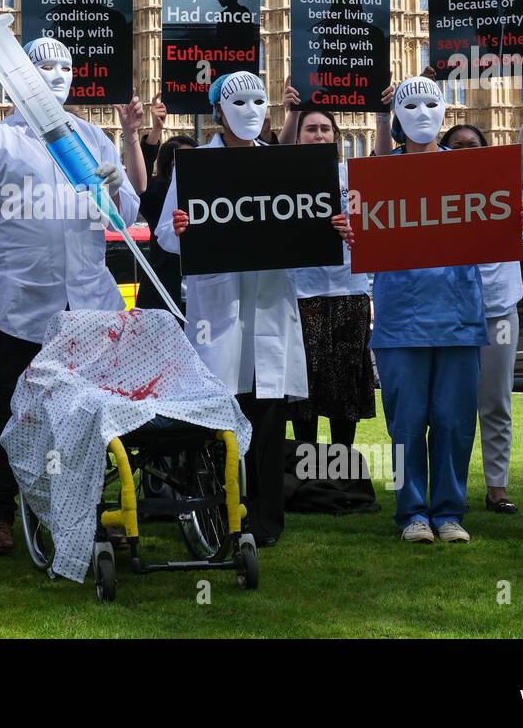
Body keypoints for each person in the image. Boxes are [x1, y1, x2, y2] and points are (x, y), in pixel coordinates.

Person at [0, 36, 138, 556]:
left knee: (89, 412)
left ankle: (87, 507)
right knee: (8, 411)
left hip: (85, 303)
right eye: (45, 67)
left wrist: (118, 183)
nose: (58, 75)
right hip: (21, 302)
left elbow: (123, 222)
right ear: (21, 75)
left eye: (66, 67)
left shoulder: (91, 139)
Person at [156, 71, 310, 545]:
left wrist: (334, 229)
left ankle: (265, 521)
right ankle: (219, 514)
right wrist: (180, 228)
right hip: (218, 315)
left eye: (259, 100)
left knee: (267, 418)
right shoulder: (196, 165)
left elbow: (305, 231)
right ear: (218, 110)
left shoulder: (285, 165)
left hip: (268, 309)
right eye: (238, 101)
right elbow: (164, 234)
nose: (250, 109)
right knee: (222, 416)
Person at [357, 76, 492, 544]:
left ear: (444, 110)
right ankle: (412, 512)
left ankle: (450, 510)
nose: (421, 113)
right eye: (409, 105)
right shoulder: (377, 175)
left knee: (455, 423)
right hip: (400, 318)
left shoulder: (472, 170)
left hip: (458, 313)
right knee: (407, 423)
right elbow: (357, 229)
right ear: (397, 115)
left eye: (431, 103)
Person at [438, 70, 523, 515]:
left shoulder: (503, 185)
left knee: (495, 400)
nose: (465, 153)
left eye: (473, 146)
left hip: (498, 305)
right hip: (448, 306)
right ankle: (451, 485)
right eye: (456, 146)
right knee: (449, 406)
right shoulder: (434, 188)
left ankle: (497, 486)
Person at [278, 83, 394, 449]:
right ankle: (309, 471)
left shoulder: (351, 176)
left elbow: (384, 168)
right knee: (304, 391)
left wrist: (382, 116)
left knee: (345, 388)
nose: (319, 134)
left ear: (336, 136)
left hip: (349, 291)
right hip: (301, 295)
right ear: (298, 137)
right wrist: (291, 113)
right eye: (311, 129)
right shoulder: (286, 176)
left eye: (325, 128)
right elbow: (272, 157)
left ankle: (341, 470)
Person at [134, 132, 196, 315]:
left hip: (201, 293)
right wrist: (154, 134)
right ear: (169, 167)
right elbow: (139, 182)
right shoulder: (158, 193)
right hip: (163, 292)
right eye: (182, 164)